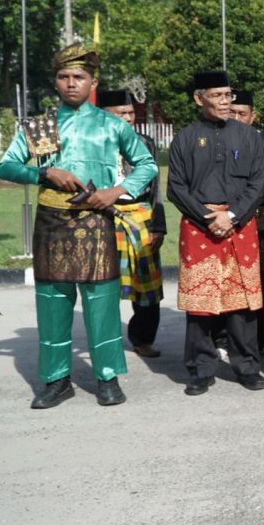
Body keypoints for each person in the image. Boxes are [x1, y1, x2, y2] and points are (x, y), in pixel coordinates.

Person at [0, 45, 158, 408]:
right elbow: (5, 166)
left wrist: (116, 191)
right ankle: (56, 380)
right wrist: (43, 172)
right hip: (51, 223)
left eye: (79, 77)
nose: (71, 84)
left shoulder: (111, 125)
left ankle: (107, 378)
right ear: (55, 81)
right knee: (53, 303)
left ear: (93, 82)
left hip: (96, 220)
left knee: (101, 303)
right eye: (64, 77)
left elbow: (146, 165)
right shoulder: (40, 125)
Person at [167, 70, 264, 396]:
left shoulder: (250, 137)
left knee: (242, 304)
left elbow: (257, 183)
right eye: (218, 96)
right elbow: (176, 187)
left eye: (229, 95)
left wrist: (232, 215)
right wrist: (208, 217)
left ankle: (247, 366)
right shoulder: (184, 137)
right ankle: (200, 369)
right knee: (201, 305)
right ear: (199, 99)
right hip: (200, 227)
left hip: (240, 225)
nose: (226, 102)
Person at [97, 88, 166, 359]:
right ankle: (106, 339)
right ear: (104, 115)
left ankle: (143, 338)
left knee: (147, 285)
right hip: (104, 217)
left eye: (130, 113)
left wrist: (158, 225)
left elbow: (157, 188)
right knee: (105, 283)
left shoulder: (145, 142)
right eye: (121, 113)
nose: (128, 118)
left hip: (141, 216)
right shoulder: (93, 144)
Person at [228, 89, 264, 358]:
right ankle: (223, 338)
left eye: (242, 113)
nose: (237, 118)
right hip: (225, 219)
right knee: (227, 279)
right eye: (232, 112)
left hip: (261, 216)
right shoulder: (218, 139)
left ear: (253, 116)